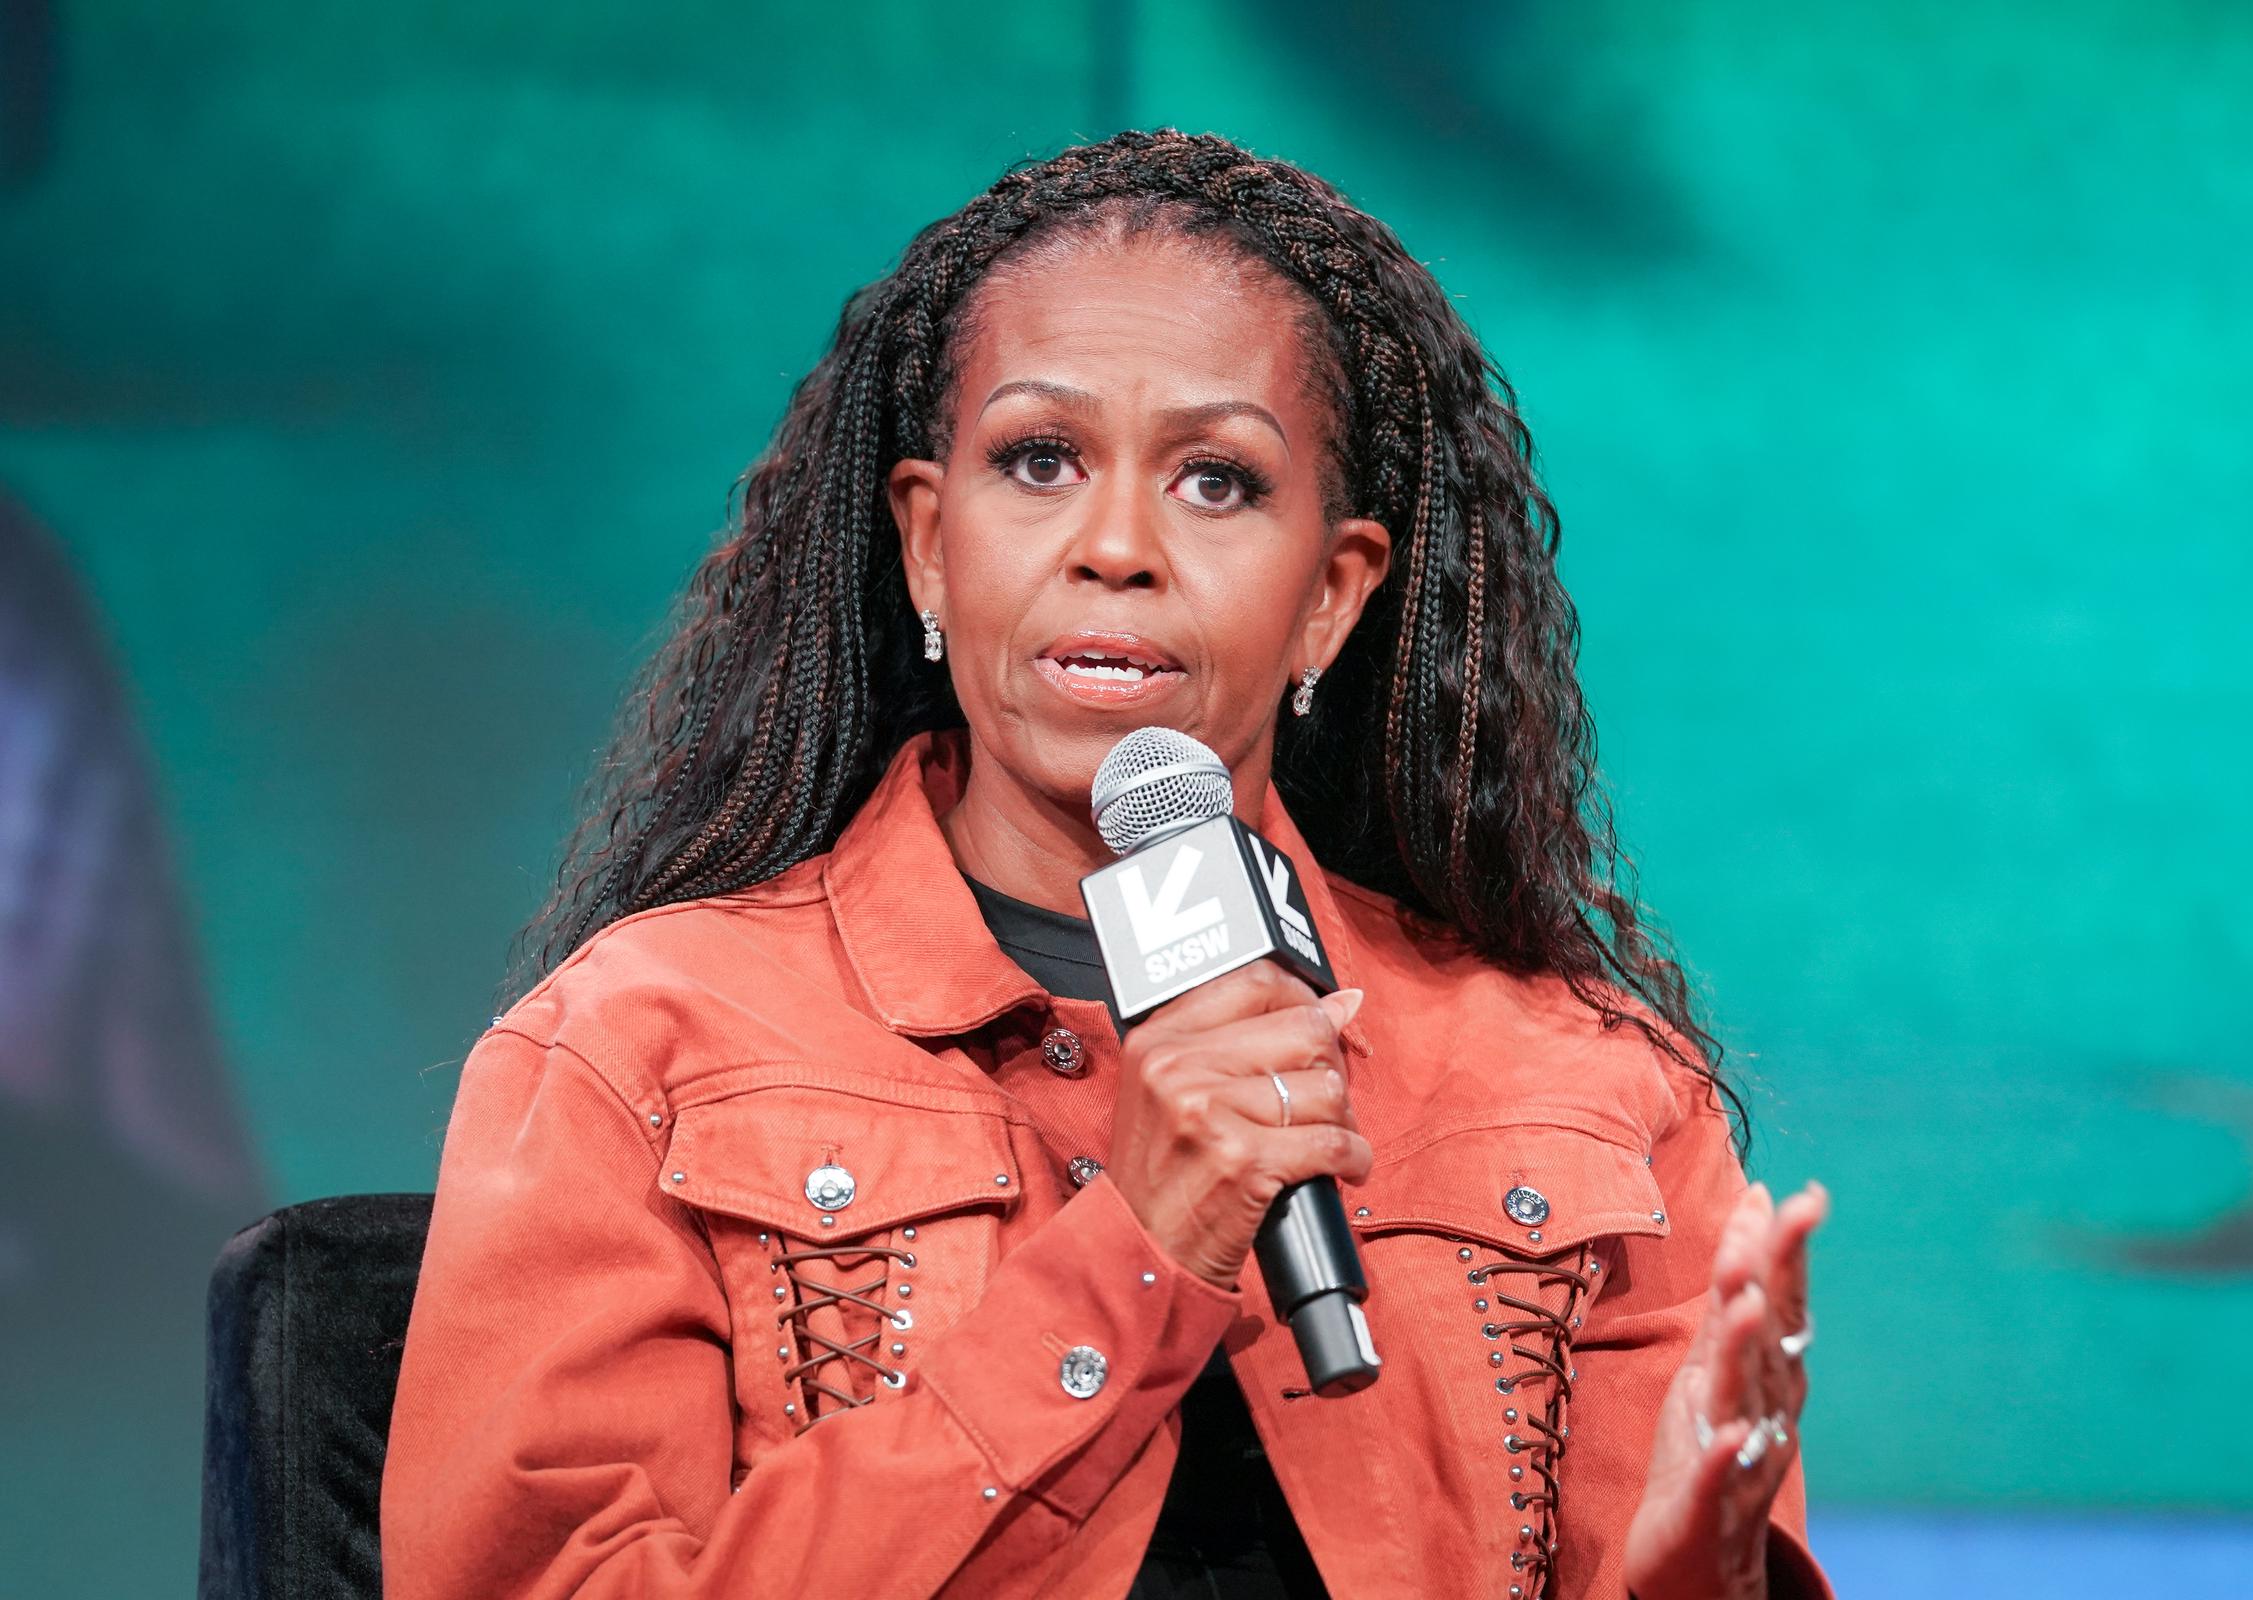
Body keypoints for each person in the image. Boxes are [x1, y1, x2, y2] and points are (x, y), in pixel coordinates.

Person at [381, 128, 1835, 1600]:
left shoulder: (1585, 1084)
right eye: (1040, 460)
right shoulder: (638, 1052)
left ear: (1331, 600)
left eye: (1216, 481)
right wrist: (1137, 1251)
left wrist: (1693, 1582)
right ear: (931, 547)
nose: (1119, 544)